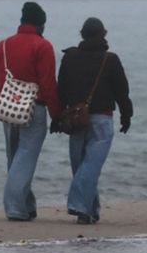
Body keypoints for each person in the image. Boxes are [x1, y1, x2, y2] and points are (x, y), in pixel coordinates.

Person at [53, 17, 132, 224]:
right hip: (102, 120)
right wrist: (126, 115)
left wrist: (57, 117)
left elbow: (61, 90)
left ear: (82, 34)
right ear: (103, 34)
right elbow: (122, 92)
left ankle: (89, 211)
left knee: (82, 166)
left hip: (75, 119)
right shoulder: (110, 60)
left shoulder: (70, 58)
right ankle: (81, 206)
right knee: (90, 166)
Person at [0, 1, 62, 221]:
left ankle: (27, 205)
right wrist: (56, 114)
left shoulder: (3, 45)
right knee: (26, 156)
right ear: (40, 24)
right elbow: (48, 84)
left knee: (14, 157)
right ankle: (15, 208)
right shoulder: (43, 46)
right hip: (35, 109)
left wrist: (2, 101)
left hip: (9, 107)